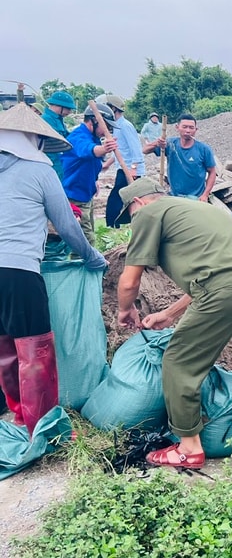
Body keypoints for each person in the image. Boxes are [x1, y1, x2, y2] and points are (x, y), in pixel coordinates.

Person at [115, 178, 232, 468]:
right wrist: (169, 314)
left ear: (138, 203)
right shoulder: (200, 209)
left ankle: (188, 448)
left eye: (130, 215)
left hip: (225, 291)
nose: (133, 222)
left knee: (179, 362)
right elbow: (218, 275)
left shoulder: (148, 213)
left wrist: (124, 310)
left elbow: (130, 281)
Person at [0, 103, 107, 435]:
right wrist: (93, 258)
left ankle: (19, 415)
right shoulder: (40, 170)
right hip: (18, 270)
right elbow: (67, 225)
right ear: (33, 138)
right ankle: (45, 427)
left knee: (4, 348)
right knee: (35, 350)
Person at [60, 102, 119, 245]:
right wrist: (104, 148)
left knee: (87, 234)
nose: (107, 130)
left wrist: (94, 180)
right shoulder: (78, 136)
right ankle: (84, 265)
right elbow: (88, 150)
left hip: (86, 193)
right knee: (85, 241)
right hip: (74, 196)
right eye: (106, 125)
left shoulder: (94, 138)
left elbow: (92, 162)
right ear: (93, 120)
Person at [104, 95, 147, 228]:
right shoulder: (117, 126)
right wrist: (107, 164)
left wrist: (133, 169)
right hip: (123, 168)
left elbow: (136, 149)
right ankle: (116, 225)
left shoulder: (125, 126)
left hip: (130, 169)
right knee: (120, 198)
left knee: (117, 198)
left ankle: (112, 225)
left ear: (113, 109)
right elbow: (121, 151)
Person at [160, 114, 217, 201]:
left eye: (191, 128)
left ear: (196, 129)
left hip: (196, 198)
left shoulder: (204, 149)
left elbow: (212, 172)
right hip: (175, 196)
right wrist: (157, 143)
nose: (188, 130)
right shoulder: (170, 144)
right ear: (177, 127)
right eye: (184, 127)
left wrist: (205, 195)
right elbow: (145, 150)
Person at [41, 90, 76, 181]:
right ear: (58, 106)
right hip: (49, 160)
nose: (69, 112)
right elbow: (59, 138)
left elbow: (67, 135)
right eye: (68, 109)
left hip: (58, 159)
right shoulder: (46, 119)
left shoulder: (58, 119)